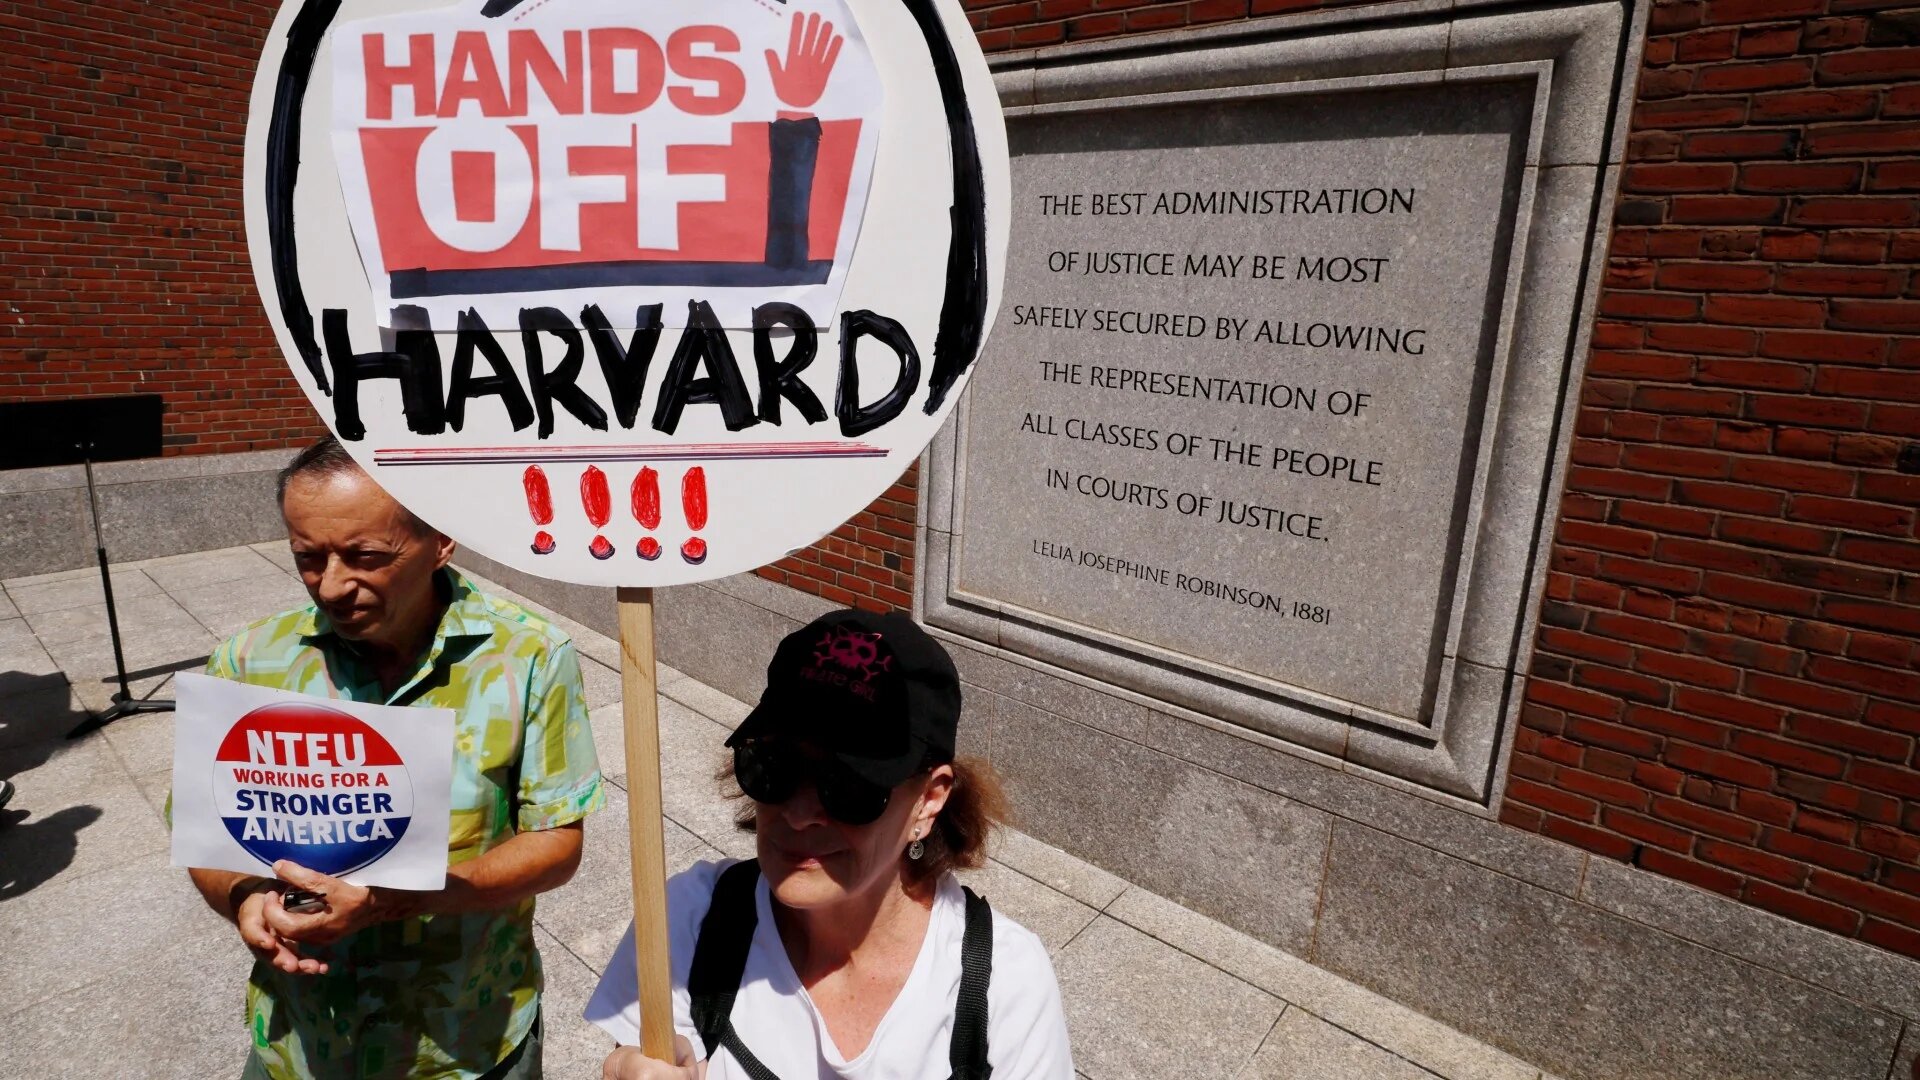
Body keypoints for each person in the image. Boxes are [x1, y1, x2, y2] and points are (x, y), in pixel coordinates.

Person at [182, 437, 605, 1079]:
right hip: (303, 1042)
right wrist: (243, 900)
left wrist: (391, 898)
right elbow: (205, 836)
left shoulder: (529, 659)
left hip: (465, 1038)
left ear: (441, 539)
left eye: (365, 556)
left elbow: (555, 845)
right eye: (307, 557)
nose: (331, 584)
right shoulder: (247, 663)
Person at [586, 610, 1073, 1079]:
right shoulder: (689, 923)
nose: (798, 814)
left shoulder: (1003, 984)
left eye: (850, 786)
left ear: (929, 801)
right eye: (773, 765)